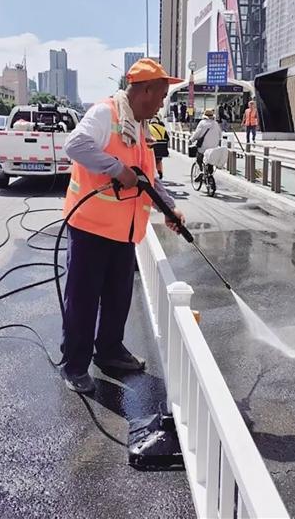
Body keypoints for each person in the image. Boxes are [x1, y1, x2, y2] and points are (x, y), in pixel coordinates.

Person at [60, 58, 186, 394]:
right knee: (83, 300)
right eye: (161, 96)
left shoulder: (139, 126)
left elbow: (146, 178)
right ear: (145, 90)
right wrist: (117, 169)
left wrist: (169, 208)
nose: (161, 104)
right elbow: (75, 146)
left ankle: (110, 351)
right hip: (90, 228)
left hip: (124, 231)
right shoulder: (106, 114)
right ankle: (74, 365)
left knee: (118, 299)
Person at [190, 108, 223, 182]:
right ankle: (210, 176)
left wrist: (191, 140)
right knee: (210, 161)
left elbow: (197, 133)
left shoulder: (202, 123)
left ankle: (201, 171)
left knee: (199, 157)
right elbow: (220, 135)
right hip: (214, 148)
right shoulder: (216, 124)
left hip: (204, 147)